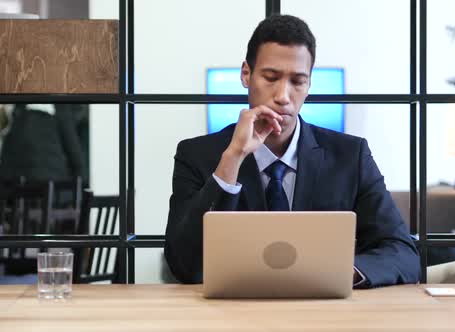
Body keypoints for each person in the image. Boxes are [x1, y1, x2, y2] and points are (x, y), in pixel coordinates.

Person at [165, 14, 420, 288]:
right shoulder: (197, 155)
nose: (283, 96)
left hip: (325, 315)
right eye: (271, 77)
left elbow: (403, 252)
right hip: (231, 314)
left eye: (297, 81)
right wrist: (232, 159)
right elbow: (184, 264)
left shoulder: (350, 155)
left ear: (309, 85)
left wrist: (345, 272)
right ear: (246, 74)